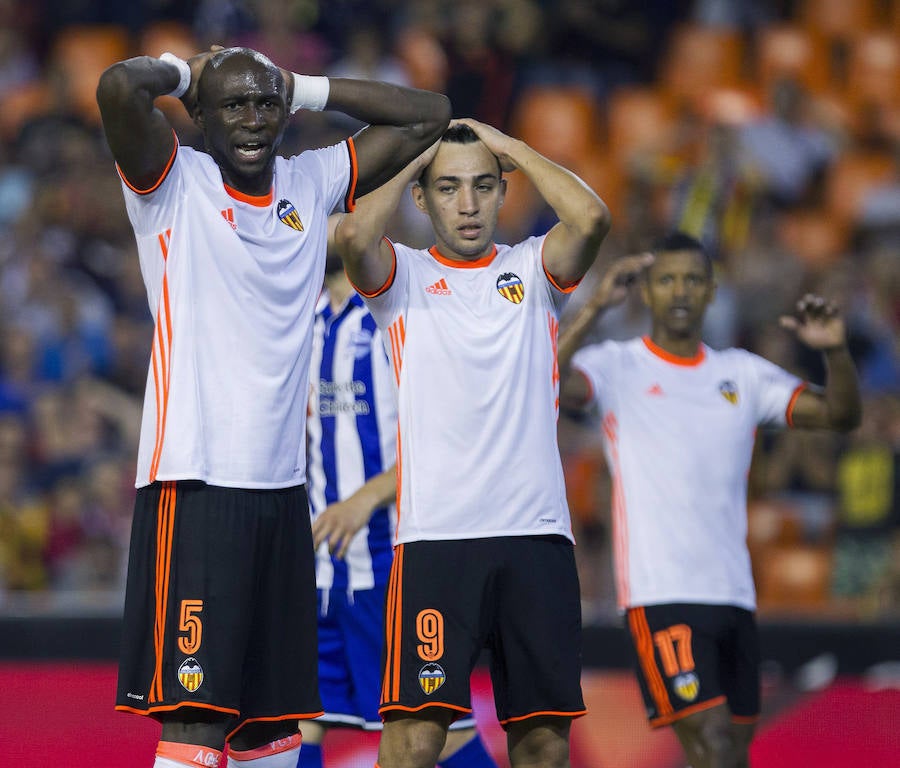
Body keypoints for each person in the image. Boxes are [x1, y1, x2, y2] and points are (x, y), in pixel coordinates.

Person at [96, 45, 450, 768]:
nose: (253, 119)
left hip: (284, 492)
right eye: (233, 105)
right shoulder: (171, 182)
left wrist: (304, 86)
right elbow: (119, 87)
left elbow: (429, 118)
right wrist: (187, 71)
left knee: (274, 725)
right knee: (194, 721)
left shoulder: (310, 181)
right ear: (196, 115)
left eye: (265, 104)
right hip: (194, 485)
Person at [331, 118, 612, 768]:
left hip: (535, 539)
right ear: (423, 199)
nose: (468, 203)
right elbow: (353, 234)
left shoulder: (532, 270)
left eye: (484, 186)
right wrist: (414, 158)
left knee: (542, 743)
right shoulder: (400, 278)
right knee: (414, 740)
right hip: (436, 541)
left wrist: (510, 147)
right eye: (450, 188)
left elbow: (592, 219)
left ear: (502, 191)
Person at [557, 232, 862, 768]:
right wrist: (593, 310)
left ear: (711, 292)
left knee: (730, 755)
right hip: (661, 592)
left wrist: (835, 350)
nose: (680, 291)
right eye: (667, 279)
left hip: (734, 594)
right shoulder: (617, 364)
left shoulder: (740, 374)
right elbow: (546, 378)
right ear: (647, 292)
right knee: (715, 743)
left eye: (693, 280)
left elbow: (839, 415)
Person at [300, 254, 498, 767]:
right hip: (323, 567)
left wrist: (365, 499)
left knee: (437, 729)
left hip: (391, 565)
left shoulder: (397, 317)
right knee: (295, 721)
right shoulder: (307, 320)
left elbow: (450, 441)